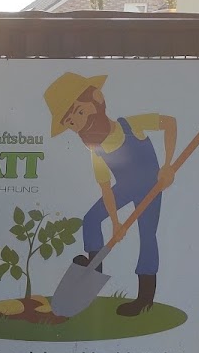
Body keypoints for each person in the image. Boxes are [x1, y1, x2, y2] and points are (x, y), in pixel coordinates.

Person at [43, 72, 176, 316]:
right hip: (125, 186)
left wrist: (168, 166)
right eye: (71, 122)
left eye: (79, 112)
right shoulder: (97, 151)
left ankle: (145, 298)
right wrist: (115, 222)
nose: (78, 124)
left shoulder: (130, 125)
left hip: (151, 185)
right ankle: (92, 275)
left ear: (97, 98)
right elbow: (106, 188)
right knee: (91, 219)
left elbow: (169, 123)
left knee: (147, 236)